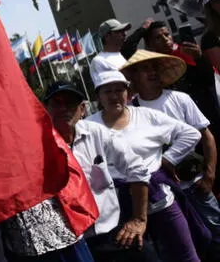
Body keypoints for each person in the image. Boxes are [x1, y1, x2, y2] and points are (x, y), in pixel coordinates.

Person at [86, 70, 202, 262]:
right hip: (120, 210)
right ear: (98, 95)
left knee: (185, 256)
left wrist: (168, 159)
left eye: (119, 90)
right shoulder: (88, 126)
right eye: (107, 91)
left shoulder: (147, 116)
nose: (114, 96)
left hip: (159, 200)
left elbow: (190, 134)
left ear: (128, 92)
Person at [42, 80, 158, 262]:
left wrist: (139, 220)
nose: (64, 109)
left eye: (70, 103)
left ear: (82, 109)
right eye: (57, 103)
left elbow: (137, 168)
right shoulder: (39, 146)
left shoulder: (96, 132)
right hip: (71, 245)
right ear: (45, 109)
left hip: (112, 233)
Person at [121, 49, 220, 256]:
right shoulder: (131, 112)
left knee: (217, 232)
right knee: (188, 245)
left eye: (154, 68)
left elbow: (206, 136)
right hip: (164, 195)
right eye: (145, 69)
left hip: (195, 183)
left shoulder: (180, 99)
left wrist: (210, 175)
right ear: (134, 77)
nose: (152, 73)